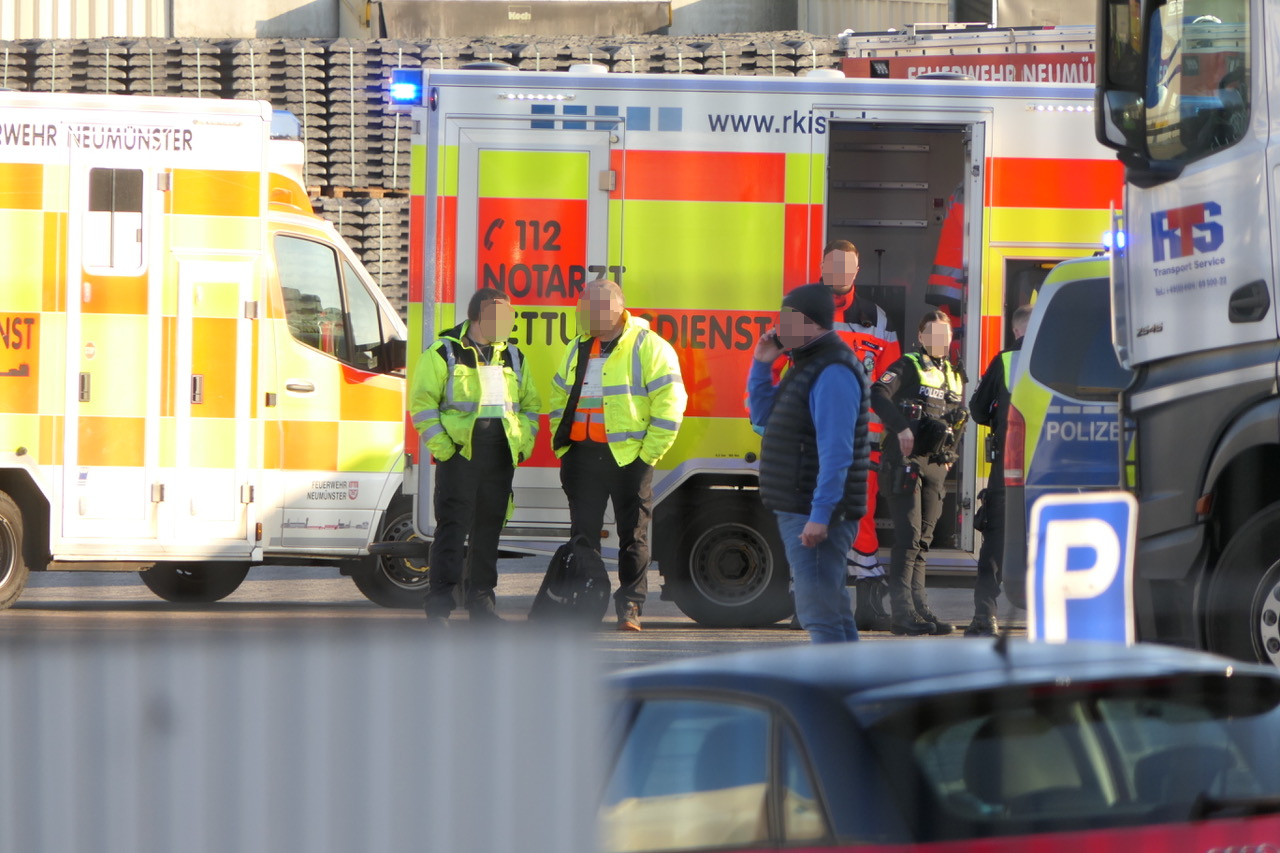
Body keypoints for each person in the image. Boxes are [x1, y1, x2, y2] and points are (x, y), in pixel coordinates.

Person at [550, 280, 687, 632]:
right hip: (581, 455)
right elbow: (560, 394)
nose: (583, 315)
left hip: (629, 458)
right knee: (583, 537)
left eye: (590, 309)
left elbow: (671, 404)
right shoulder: (579, 346)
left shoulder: (648, 345)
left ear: (613, 309)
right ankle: (584, 606)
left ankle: (630, 608)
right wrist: (563, 441)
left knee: (633, 536)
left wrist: (649, 454)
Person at [747, 283, 871, 644]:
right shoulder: (807, 363)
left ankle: (835, 693)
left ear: (810, 322)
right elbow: (762, 417)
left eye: (787, 317)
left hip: (812, 510)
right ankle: (852, 690)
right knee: (831, 611)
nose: (778, 325)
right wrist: (761, 364)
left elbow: (837, 450)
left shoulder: (832, 370)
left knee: (818, 615)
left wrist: (820, 514)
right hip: (802, 505)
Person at [409, 288, 541, 625]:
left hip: (499, 458)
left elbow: (530, 407)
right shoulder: (444, 353)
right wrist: (446, 451)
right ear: (476, 317)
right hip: (460, 457)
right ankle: (439, 605)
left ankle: (482, 605)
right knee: (452, 531)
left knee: (488, 532)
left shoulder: (514, 357)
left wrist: (522, 444)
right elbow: (423, 406)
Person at [820, 239, 900, 631]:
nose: (840, 273)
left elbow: (892, 378)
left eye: (847, 267)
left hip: (862, 438)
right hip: (813, 437)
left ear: (856, 271)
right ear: (822, 267)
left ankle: (868, 600)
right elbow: (776, 367)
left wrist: (895, 429)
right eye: (833, 265)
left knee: (861, 516)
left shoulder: (877, 319)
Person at [871, 310, 968, 636]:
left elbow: (957, 419)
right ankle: (902, 615)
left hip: (936, 464)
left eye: (947, 334)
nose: (941, 340)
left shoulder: (954, 373)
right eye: (934, 334)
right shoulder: (909, 364)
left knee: (924, 541)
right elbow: (877, 393)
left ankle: (921, 611)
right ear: (922, 337)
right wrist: (900, 429)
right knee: (909, 539)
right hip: (905, 460)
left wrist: (951, 454)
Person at [965, 304, 1031, 637]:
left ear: (1016, 330)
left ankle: (985, 616)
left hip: (1009, 467)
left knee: (995, 540)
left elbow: (977, 410)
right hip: (1051, 468)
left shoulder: (1006, 360)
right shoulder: (1063, 357)